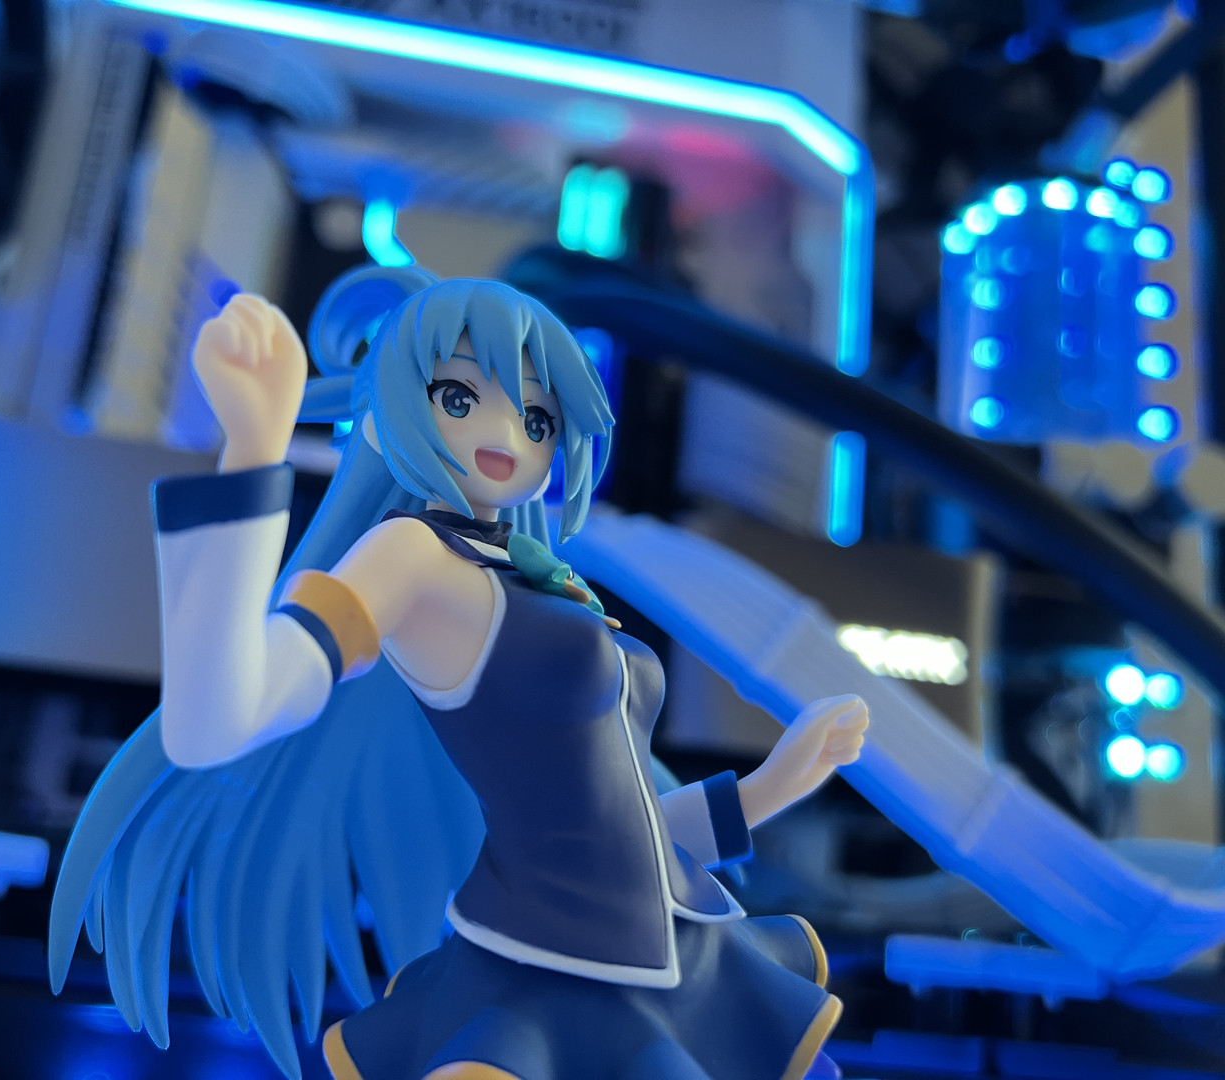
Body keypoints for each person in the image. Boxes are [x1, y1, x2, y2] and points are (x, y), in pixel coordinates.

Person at [49, 265, 869, 1080]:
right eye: (458, 397)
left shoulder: (532, 570)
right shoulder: (411, 556)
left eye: (537, 415)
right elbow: (216, 722)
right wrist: (254, 455)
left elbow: (612, 823)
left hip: (679, 955)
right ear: (391, 417)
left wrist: (773, 784)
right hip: (540, 983)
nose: (508, 433)